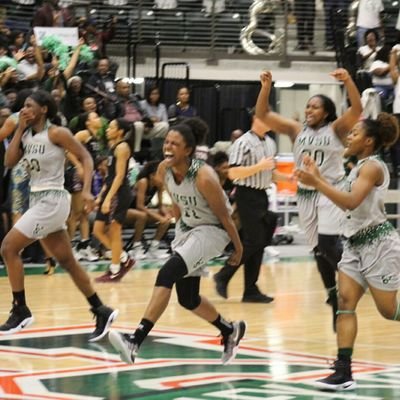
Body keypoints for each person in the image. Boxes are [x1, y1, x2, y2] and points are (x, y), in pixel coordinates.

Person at [108, 123, 245, 365]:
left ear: (188, 150)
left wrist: (238, 248)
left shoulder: (204, 177)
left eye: (174, 144)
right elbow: (178, 203)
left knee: (166, 273)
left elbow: (225, 217)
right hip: (188, 229)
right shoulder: (164, 170)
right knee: (188, 298)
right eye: (166, 142)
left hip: (213, 230)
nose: (168, 147)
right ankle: (229, 330)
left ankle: (135, 341)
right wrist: (179, 236)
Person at [0, 90, 118, 340]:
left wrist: (86, 191)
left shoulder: (56, 132)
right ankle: (100, 309)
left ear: (44, 109)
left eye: (30, 106)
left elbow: (86, 157)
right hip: (38, 199)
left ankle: (20, 309)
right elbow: (9, 162)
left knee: (8, 248)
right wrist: (19, 130)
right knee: (67, 261)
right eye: (23, 106)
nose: (24, 110)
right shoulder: (26, 134)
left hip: (53, 199)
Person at [295, 113, 400, 391]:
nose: (349, 136)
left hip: (379, 244)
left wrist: (317, 183)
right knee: (344, 302)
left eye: (354, 133)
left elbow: (352, 202)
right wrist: (317, 177)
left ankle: (344, 370)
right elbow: (343, 200)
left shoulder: (373, 167)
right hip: (354, 244)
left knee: (388, 311)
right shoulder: (356, 168)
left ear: (368, 141)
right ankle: (344, 371)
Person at [255, 69, 362, 328]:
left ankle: (357, 275)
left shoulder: (336, 128)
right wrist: (266, 87)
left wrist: (347, 81)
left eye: (315, 107)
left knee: (326, 244)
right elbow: (263, 115)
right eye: (307, 106)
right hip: (305, 194)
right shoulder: (295, 130)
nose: (309, 110)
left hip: (330, 189)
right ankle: (333, 295)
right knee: (318, 250)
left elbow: (357, 109)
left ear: (326, 112)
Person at [213, 108, 278, 303]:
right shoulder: (242, 142)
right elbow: (232, 174)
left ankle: (250, 290)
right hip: (246, 195)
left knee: (259, 244)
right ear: (256, 118)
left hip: (261, 194)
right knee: (254, 241)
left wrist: (291, 178)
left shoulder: (270, 142)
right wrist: (259, 167)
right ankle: (223, 275)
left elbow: (269, 173)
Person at [93, 118, 135, 283]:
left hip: (119, 193)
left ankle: (115, 269)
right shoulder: (112, 147)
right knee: (97, 230)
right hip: (110, 190)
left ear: (120, 131)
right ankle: (124, 258)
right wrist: (101, 195)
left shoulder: (122, 147)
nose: (108, 130)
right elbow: (110, 177)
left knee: (114, 230)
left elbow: (119, 176)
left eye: (111, 127)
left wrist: (108, 198)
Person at [126, 160, 173, 260]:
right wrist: (158, 217)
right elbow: (139, 206)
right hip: (125, 212)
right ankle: (136, 248)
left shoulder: (159, 185)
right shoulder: (143, 181)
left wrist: (165, 214)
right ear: (152, 175)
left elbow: (160, 206)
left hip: (141, 212)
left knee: (166, 216)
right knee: (142, 215)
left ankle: (153, 248)